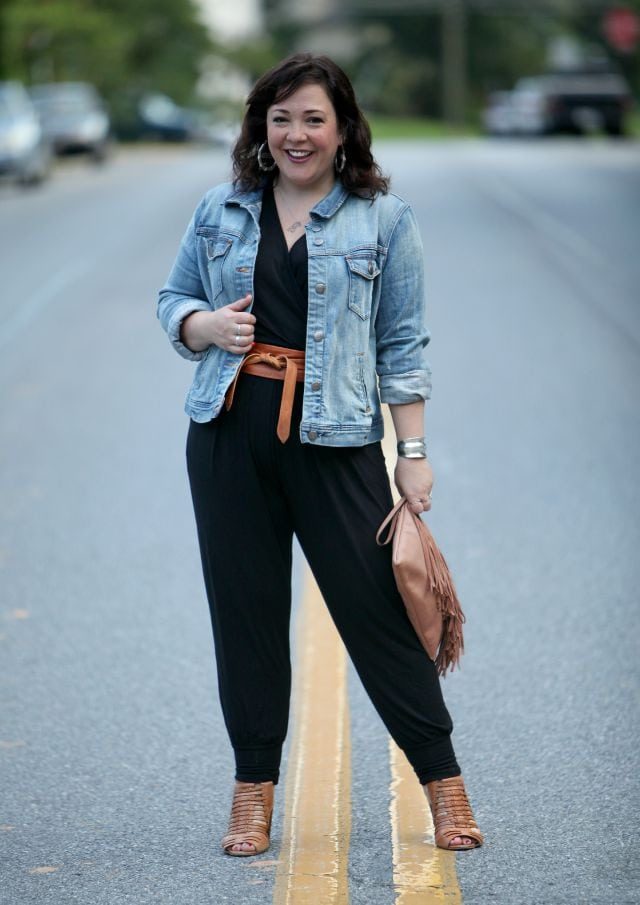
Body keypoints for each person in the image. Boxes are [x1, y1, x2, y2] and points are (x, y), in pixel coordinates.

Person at [157, 53, 483, 856]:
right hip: (229, 433)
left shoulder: (384, 220)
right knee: (247, 620)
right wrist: (203, 328)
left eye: (312, 119)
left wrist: (411, 452)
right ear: (261, 129)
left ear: (342, 131)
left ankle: (443, 783)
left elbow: (403, 345)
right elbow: (174, 300)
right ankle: (252, 795)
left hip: (336, 443)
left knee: (380, 616)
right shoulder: (220, 208)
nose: (296, 134)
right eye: (280, 118)